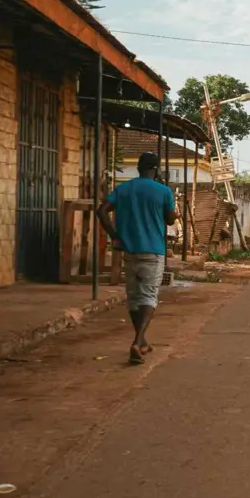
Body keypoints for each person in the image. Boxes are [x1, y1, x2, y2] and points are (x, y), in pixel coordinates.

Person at [97, 152, 177, 365]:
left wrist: (115, 236)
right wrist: (173, 214)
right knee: (149, 296)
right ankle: (137, 340)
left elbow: (102, 210)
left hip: (128, 251)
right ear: (156, 170)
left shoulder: (123, 189)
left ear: (139, 168)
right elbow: (169, 220)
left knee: (134, 298)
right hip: (153, 251)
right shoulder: (164, 191)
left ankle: (141, 342)